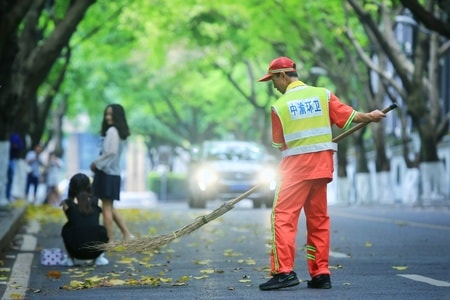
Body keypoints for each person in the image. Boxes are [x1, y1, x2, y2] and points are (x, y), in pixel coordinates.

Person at [257, 56, 386, 291]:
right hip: (322, 168)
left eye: (273, 80)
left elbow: (279, 144)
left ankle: (283, 271)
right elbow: (349, 117)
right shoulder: (322, 95)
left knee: (282, 218)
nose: (273, 85)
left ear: (283, 75)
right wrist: (371, 116)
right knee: (318, 220)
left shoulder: (279, 106)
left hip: (295, 171)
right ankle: (320, 274)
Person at [90, 103, 134, 242]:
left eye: (111, 114)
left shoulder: (112, 131)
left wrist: (96, 163)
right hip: (113, 173)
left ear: (117, 116)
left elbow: (111, 152)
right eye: (107, 114)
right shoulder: (118, 132)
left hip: (107, 173)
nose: (108, 117)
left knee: (106, 208)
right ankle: (127, 235)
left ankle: (109, 240)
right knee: (109, 207)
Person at [61, 173, 109, 266]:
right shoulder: (98, 201)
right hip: (95, 251)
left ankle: (70, 259)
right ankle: (99, 257)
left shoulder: (67, 204)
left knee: (67, 228)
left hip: (76, 251)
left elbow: (75, 223)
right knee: (100, 229)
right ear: (89, 186)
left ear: (71, 187)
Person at [6, 133, 24, 201]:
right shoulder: (10, 145)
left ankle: (8, 195)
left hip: (12, 161)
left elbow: (20, 147)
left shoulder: (16, 143)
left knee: (10, 179)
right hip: (9, 160)